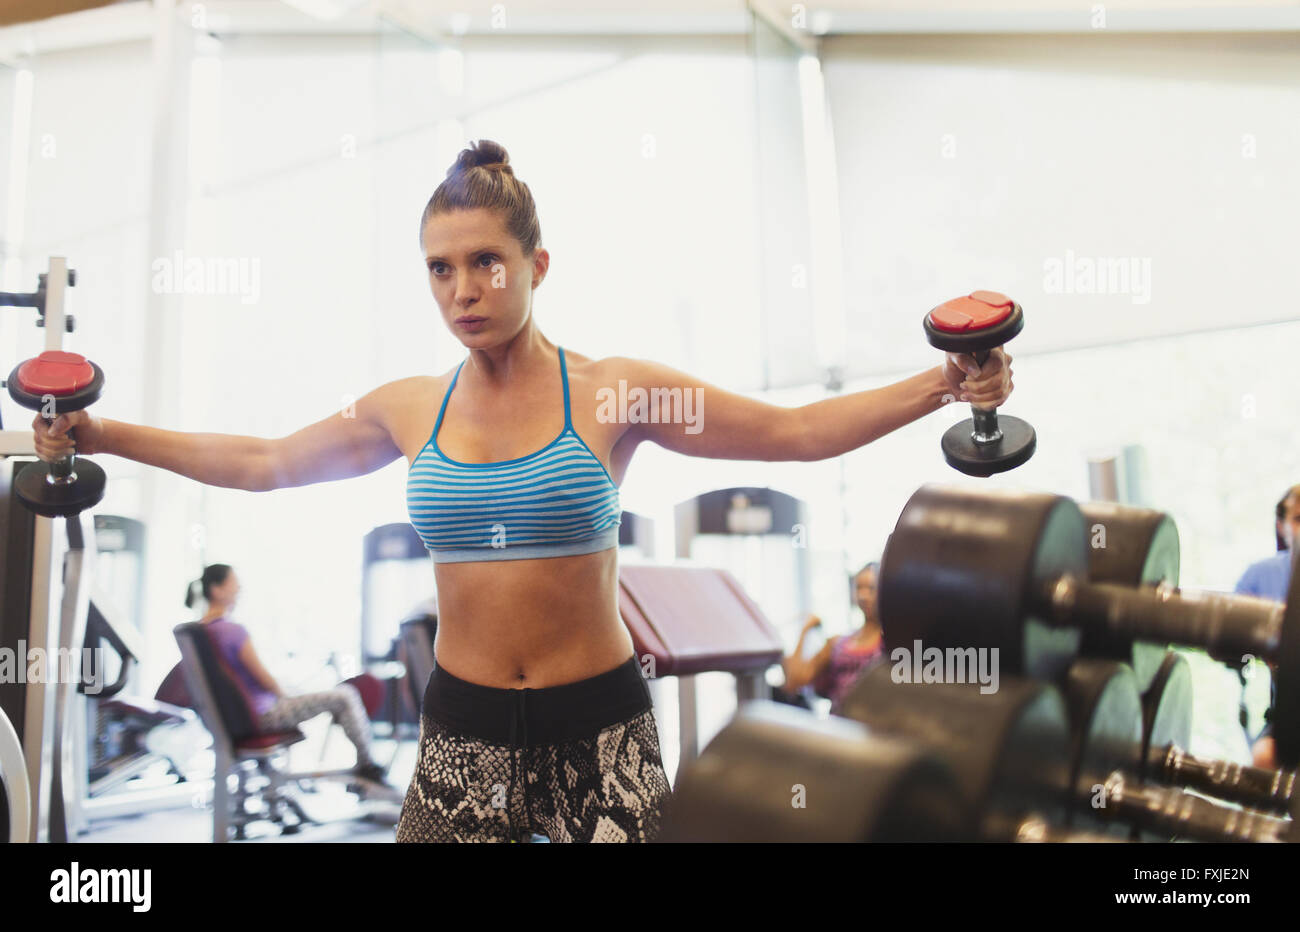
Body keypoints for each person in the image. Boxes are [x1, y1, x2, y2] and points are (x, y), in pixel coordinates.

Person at [31, 139, 1015, 843]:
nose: (463, 289)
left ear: (536, 265)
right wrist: (101, 432)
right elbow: (261, 461)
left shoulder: (613, 390)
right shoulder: (407, 407)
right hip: (460, 728)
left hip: (602, 727)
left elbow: (796, 433)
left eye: (485, 262)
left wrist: (942, 381)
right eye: (440, 269)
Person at [185, 563, 396, 794]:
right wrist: (288, 696)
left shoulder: (201, 632)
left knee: (333, 696)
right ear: (217, 590)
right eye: (235, 585)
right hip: (264, 715)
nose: (239, 591)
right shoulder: (232, 631)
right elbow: (265, 679)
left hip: (240, 717)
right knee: (346, 695)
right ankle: (368, 766)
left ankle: (362, 766)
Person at [1235, 484, 1300, 769]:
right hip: (1289, 716)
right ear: (1282, 525)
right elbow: (1228, 643)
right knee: (1263, 759)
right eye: (1298, 519)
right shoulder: (1259, 576)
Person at [781, 562, 886, 716]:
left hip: (874, 726)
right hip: (839, 725)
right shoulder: (838, 643)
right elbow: (794, 681)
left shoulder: (891, 642)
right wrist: (805, 631)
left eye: (871, 589)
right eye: (858, 588)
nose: (863, 595)